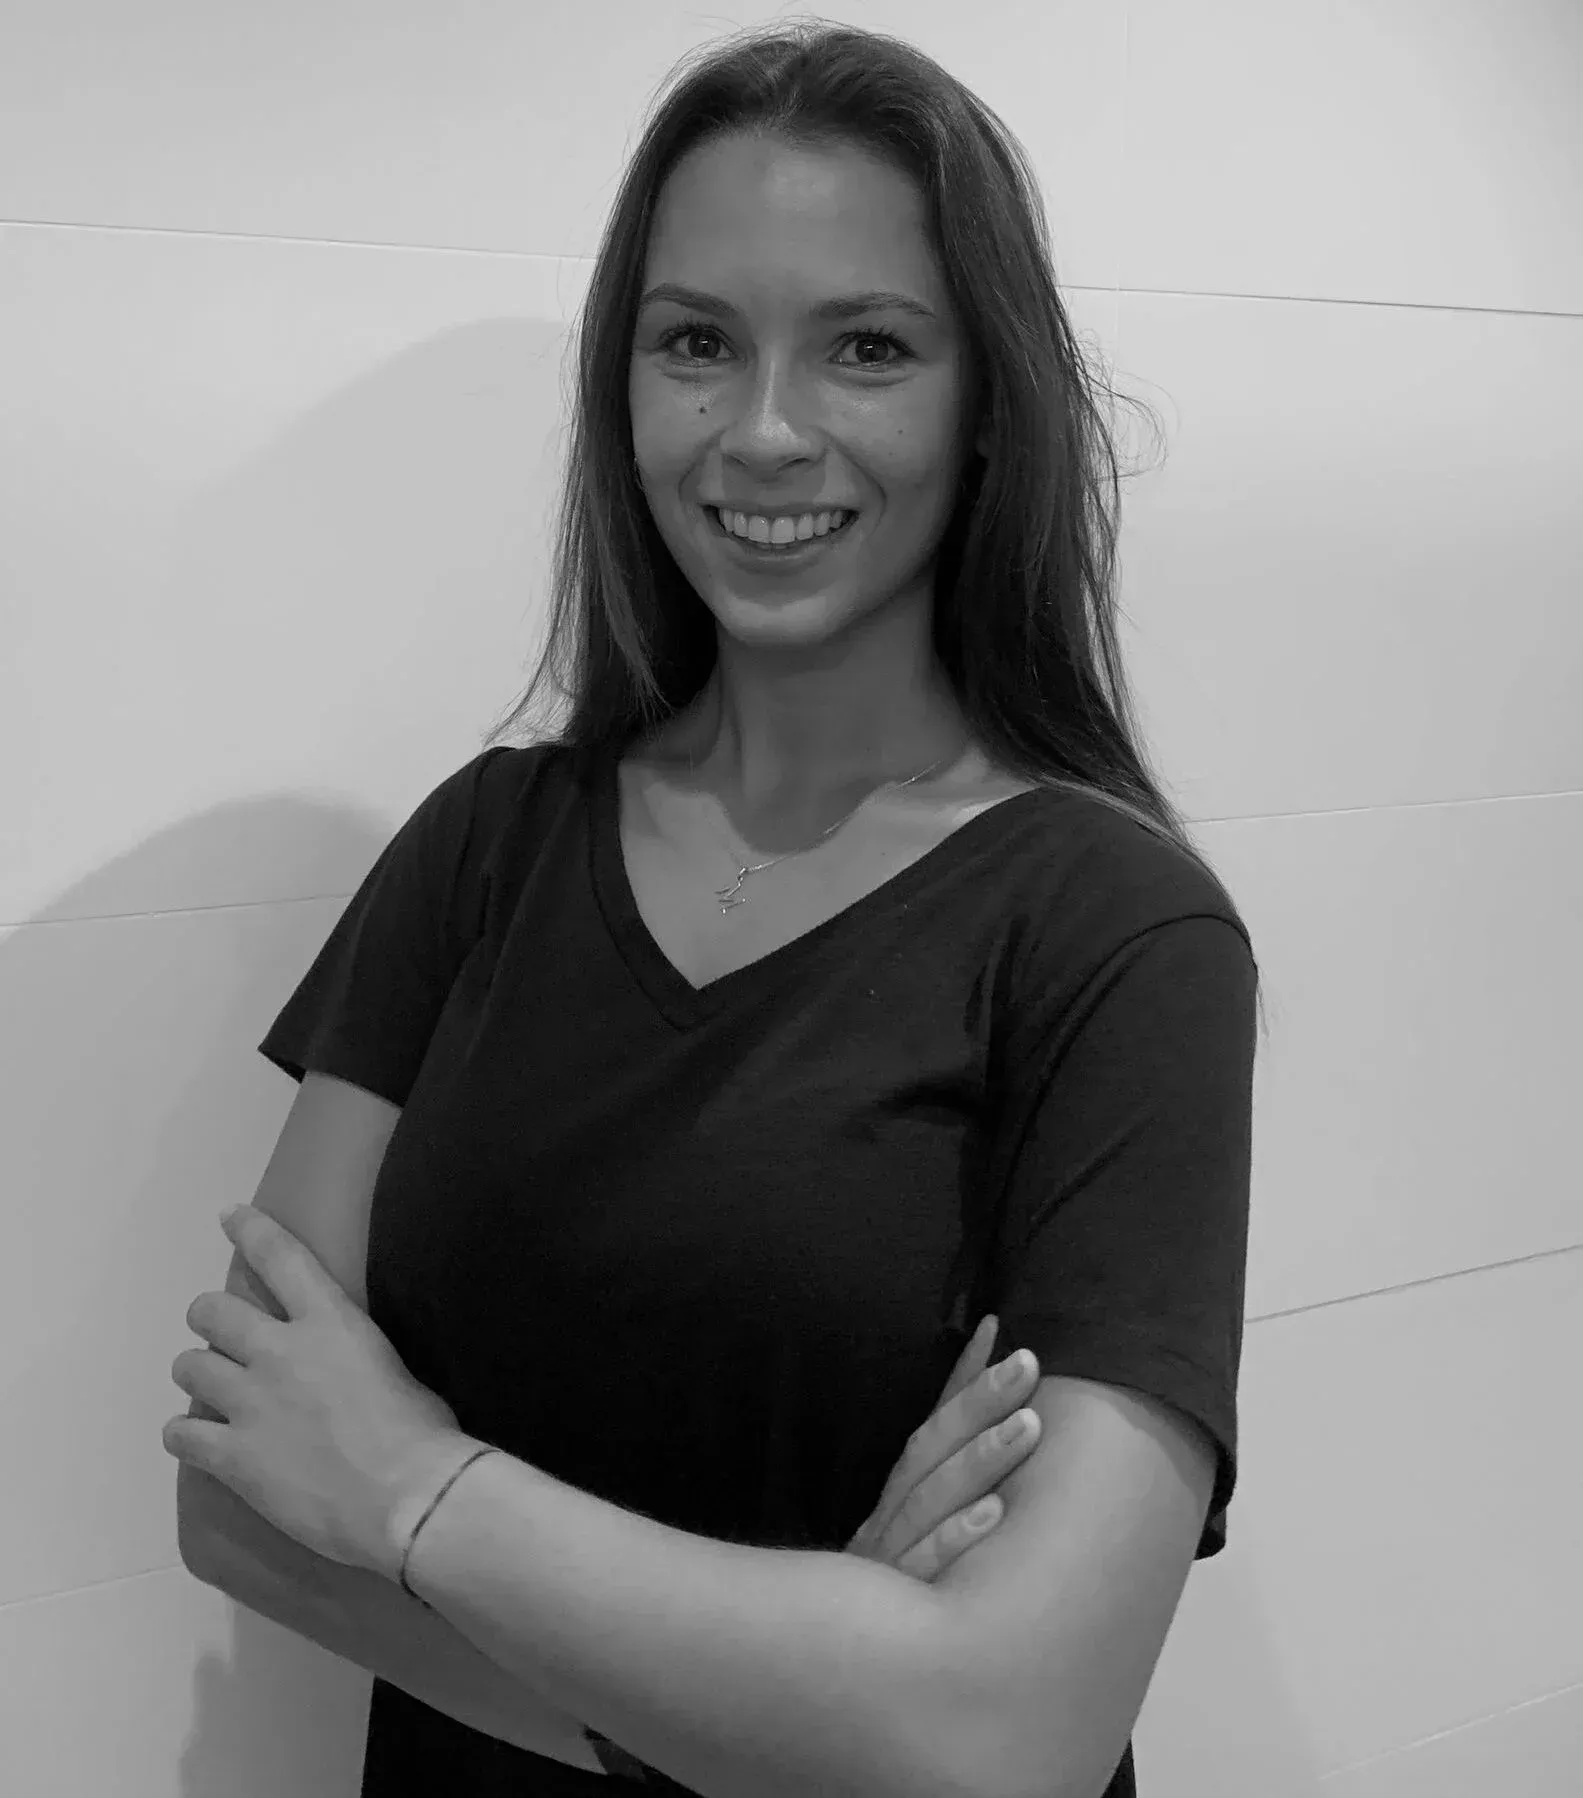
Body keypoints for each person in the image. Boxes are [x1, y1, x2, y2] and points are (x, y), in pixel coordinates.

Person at [219, 20, 1261, 1796]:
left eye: (864, 348)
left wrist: (413, 1487)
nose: (764, 431)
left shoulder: (1118, 932)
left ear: (984, 401)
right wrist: (796, 1703)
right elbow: (237, 1513)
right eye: (696, 343)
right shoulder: (483, 847)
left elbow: (1010, 1729)